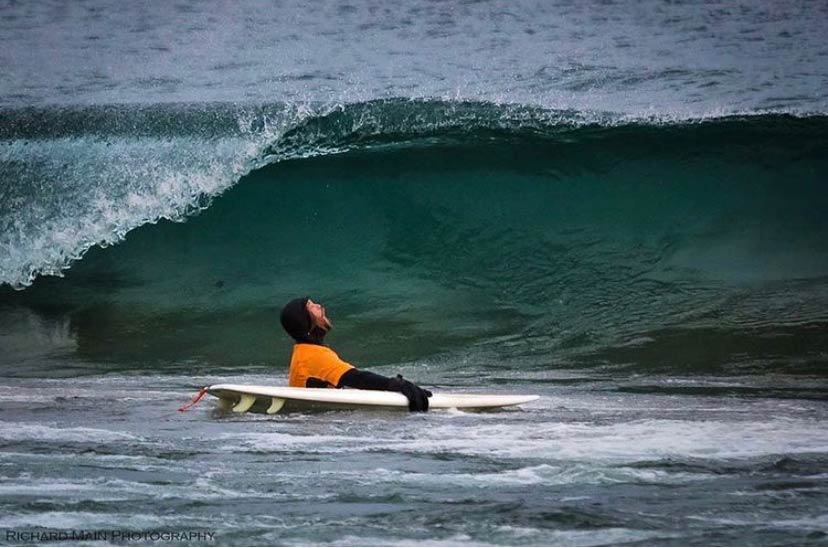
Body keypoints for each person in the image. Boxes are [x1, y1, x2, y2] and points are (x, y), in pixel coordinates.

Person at [279, 296, 433, 412]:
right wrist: (398, 385)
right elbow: (356, 378)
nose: (319, 306)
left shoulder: (303, 351)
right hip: (317, 425)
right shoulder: (313, 355)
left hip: (310, 421)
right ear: (304, 321)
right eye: (311, 306)